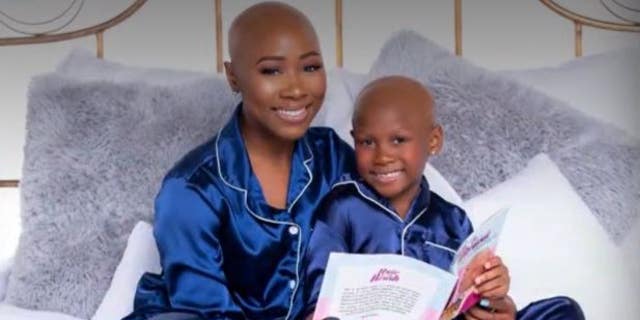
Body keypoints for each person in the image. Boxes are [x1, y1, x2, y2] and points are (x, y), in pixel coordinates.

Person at [123, 2, 354, 320]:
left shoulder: (333, 155)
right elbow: (206, 308)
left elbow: (382, 224)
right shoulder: (190, 189)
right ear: (233, 76)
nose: (297, 89)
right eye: (271, 70)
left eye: (310, 67)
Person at [303, 76, 584, 320]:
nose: (382, 156)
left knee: (562, 310)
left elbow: (470, 302)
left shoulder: (452, 220)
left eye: (398, 140)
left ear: (434, 141)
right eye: (367, 142)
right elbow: (318, 300)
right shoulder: (342, 209)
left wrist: (495, 300)